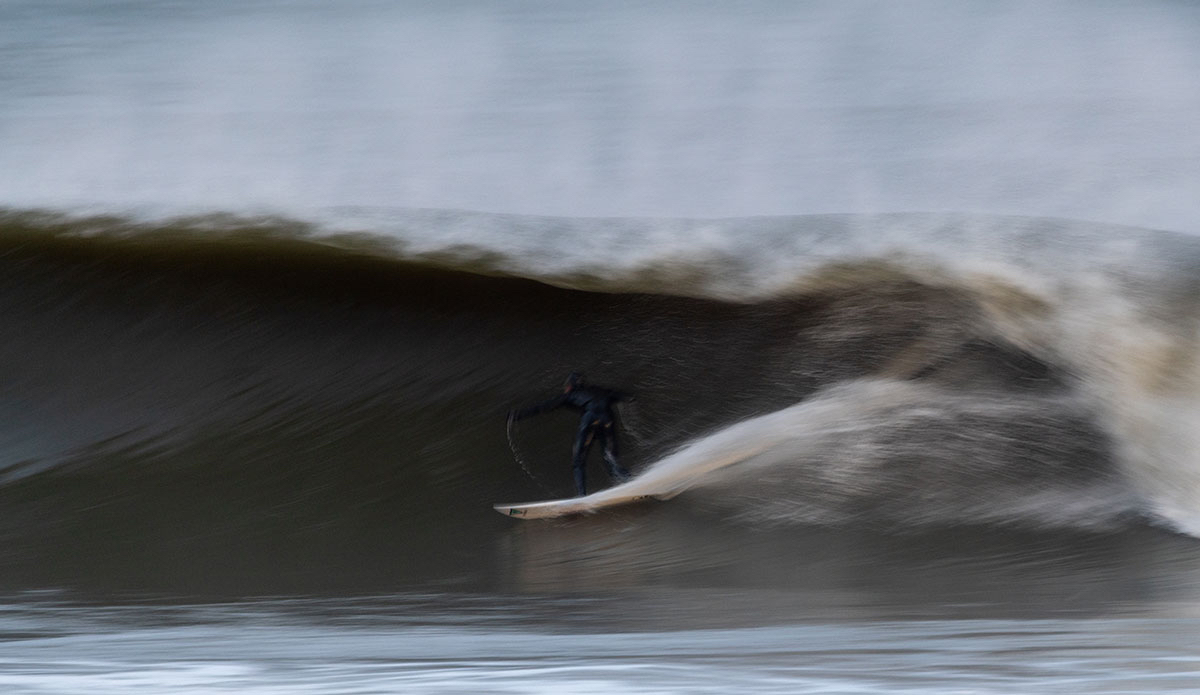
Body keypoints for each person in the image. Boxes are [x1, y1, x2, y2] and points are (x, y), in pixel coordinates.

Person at [509, 372, 633, 496]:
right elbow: (621, 395)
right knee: (609, 458)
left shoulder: (570, 395)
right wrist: (628, 398)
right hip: (608, 419)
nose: (565, 389)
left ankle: (582, 497)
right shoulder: (598, 390)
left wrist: (519, 415)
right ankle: (630, 482)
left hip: (590, 419)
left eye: (566, 386)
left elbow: (544, 406)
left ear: (570, 386)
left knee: (578, 462)